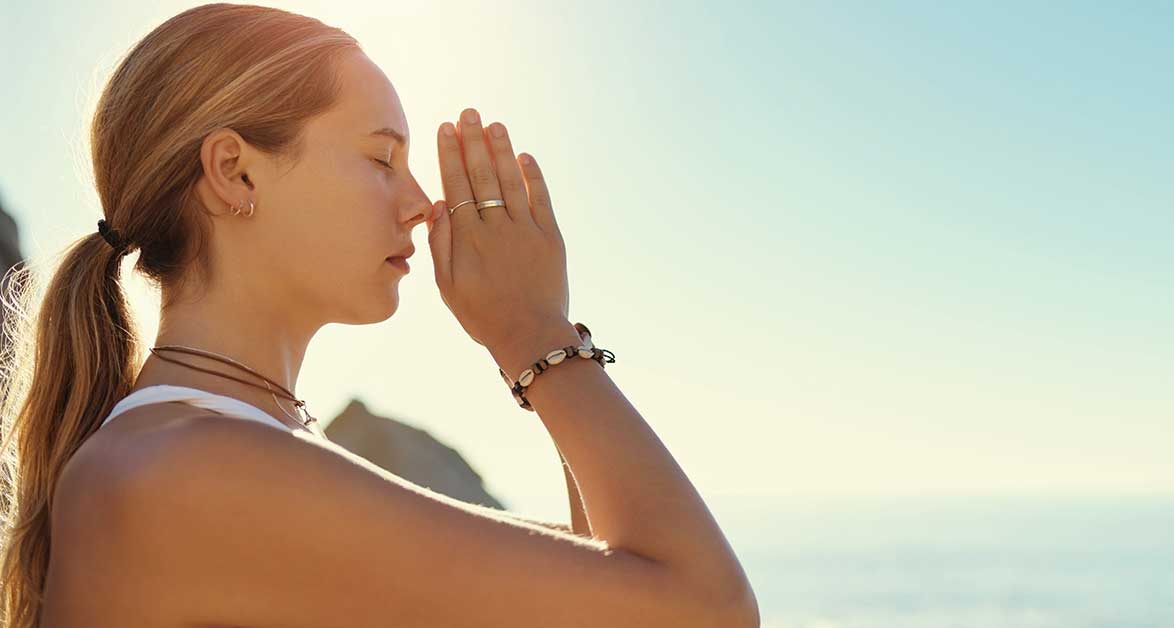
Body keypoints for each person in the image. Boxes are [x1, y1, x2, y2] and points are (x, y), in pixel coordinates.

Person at [0, 3, 758, 627]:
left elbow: (610, 597)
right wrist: (535, 336)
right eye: (379, 158)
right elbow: (705, 610)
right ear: (234, 172)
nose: (422, 203)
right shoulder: (181, 468)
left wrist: (542, 333)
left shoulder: (235, 449)